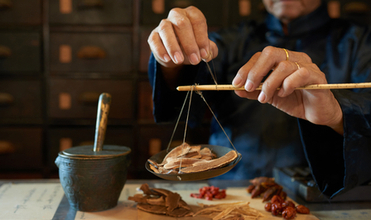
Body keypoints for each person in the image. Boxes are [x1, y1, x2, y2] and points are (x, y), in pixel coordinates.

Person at [147, 0, 371, 198]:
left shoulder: (360, 41)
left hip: (316, 195)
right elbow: (186, 88)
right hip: (230, 189)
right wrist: (173, 56)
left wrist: (336, 113)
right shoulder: (231, 39)